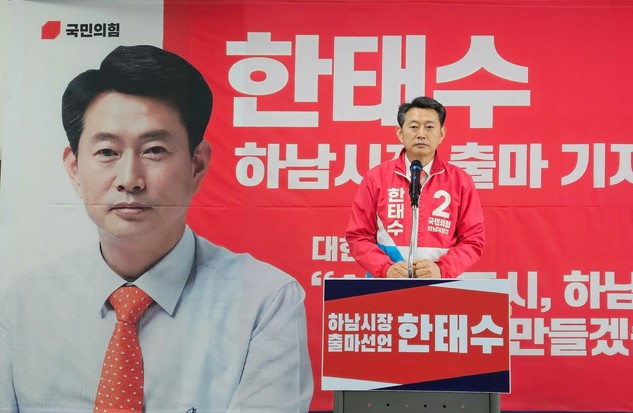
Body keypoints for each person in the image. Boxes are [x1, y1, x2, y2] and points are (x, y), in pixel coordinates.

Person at [0, 45, 313, 413]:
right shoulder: (18, 309)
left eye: (154, 150)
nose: (129, 179)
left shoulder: (265, 303)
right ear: (74, 169)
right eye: (107, 152)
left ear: (196, 165)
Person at [346, 96, 486, 278]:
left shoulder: (460, 181)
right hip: (385, 286)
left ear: (441, 134)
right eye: (413, 127)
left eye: (429, 127)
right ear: (400, 133)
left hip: (440, 285)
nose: (421, 134)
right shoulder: (375, 178)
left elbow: (473, 239)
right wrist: (385, 268)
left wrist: (442, 269)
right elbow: (358, 236)